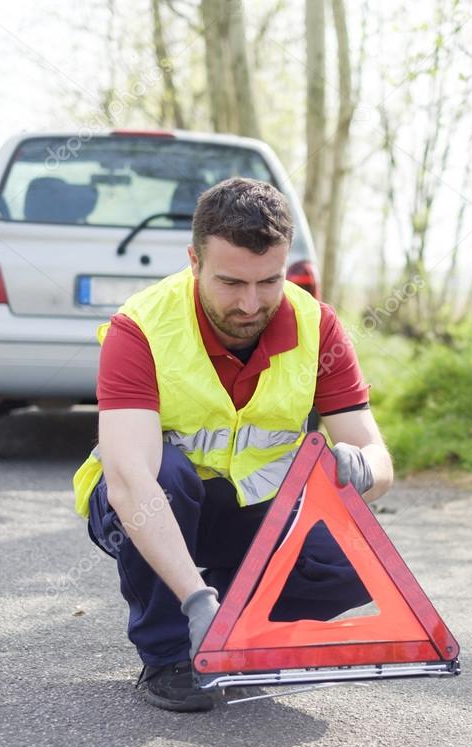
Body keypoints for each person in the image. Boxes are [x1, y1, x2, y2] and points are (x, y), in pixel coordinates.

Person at [71, 177, 394, 712]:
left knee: (356, 564)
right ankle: (171, 651)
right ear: (194, 261)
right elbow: (130, 480)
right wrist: (195, 602)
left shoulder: (318, 327)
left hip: (253, 515)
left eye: (269, 281)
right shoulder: (142, 328)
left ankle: (238, 621)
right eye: (230, 283)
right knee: (166, 477)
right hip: (152, 509)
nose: (250, 304)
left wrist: (360, 469)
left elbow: (377, 457)